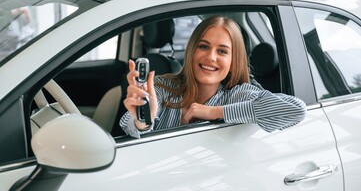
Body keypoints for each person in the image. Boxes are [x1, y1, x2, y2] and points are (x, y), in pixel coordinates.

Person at [120, 16, 306, 138]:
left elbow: (296, 110)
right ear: (192, 51)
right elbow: (131, 124)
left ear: (234, 61)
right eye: (203, 46)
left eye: (222, 51)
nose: (211, 57)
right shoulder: (162, 86)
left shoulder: (239, 95)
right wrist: (145, 120)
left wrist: (214, 112)